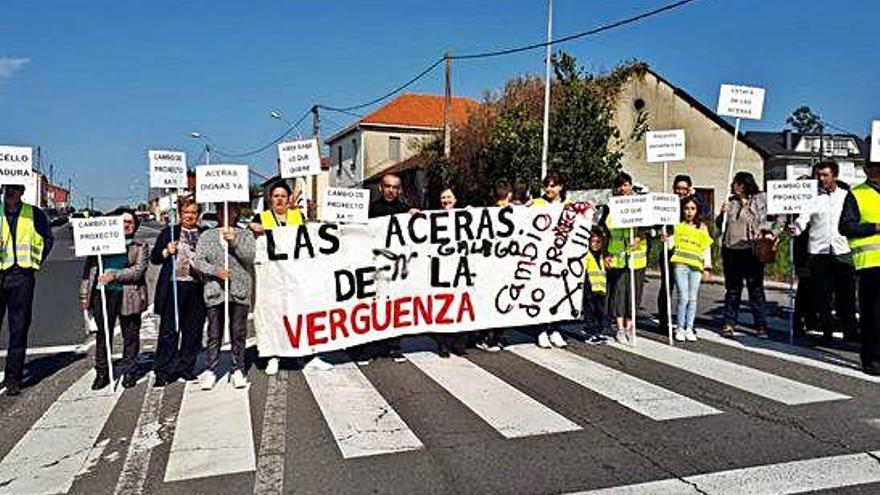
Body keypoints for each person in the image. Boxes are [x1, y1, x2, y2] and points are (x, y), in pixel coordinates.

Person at [79, 208, 148, 389]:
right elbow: (89, 270)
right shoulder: (100, 241)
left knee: (130, 334)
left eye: (130, 222)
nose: (127, 225)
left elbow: (138, 271)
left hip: (129, 294)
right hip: (102, 294)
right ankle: (102, 371)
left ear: (135, 226)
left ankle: (129, 370)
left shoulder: (140, 245)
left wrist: (114, 275)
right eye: (123, 221)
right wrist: (84, 295)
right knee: (104, 334)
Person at [789, 161, 857, 342]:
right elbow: (803, 219)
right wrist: (796, 228)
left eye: (825, 175)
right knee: (823, 294)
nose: (821, 179)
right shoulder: (812, 198)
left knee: (846, 293)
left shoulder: (847, 196)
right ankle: (827, 330)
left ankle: (850, 329)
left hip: (842, 251)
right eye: (819, 175)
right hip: (818, 253)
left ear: (835, 176)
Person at [192, 202, 255, 389]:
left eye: (231, 210)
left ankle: (237, 368)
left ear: (236, 213)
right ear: (217, 213)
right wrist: (215, 271)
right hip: (215, 290)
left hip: (239, 290)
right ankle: (212, 369)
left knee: (238, 332)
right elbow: (198, 262)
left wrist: (233, 242)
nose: (226, 213)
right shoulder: (207, 235)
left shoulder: (245, 234)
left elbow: (249, 258)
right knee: (214, 333)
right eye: (221, 210)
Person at [354, 172, 415, 363]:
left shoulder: (406, 211)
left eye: (395, 187)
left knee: (395, 306)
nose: (391, 190)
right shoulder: (368, 210)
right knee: (371, 305)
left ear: (399, 190)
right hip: (372, 266)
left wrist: (416, 217)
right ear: (381, 188)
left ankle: (393, 347)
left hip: (396, 268)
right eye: (388, 186)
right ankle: (368, 348)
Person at [0, 184, 55, 396]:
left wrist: (36, 260)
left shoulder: (34, 214)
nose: (10, 193)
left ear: (22, 192)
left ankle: (13, 378)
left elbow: (48, 239)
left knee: (19, 328)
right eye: (7, 189)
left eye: (14, 190)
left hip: (22, 277)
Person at [249, 180, 305, 375]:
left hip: (294, 275)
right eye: (276, 196)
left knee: (296, 314)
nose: (279, 199)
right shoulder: (261, 217)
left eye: (283, 196)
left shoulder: (298, 216)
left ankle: (304, 353)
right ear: (270, 199)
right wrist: (256, 228)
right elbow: (250, 234)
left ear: (288, 198)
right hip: (271, 276)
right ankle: (273, 355)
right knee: (272, 316)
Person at [150, 198, 207, 387]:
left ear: (198, 215)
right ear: (180, 214)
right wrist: (167, 251)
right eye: (186, 212)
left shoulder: (203, 233)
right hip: (174, 286)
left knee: (193, 331)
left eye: (193, 212)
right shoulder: (170, 232)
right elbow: (155, 258)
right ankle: (163, 370)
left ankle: (185, 367)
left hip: (197, 287)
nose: (189, 216)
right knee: (169, 331)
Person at [716, 171, 779, 338]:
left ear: (743, 185)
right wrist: (722, 213)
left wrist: (772, 232)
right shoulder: (730, 202)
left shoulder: (760, 199)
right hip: (731, 250)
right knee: (732, 289)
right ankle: (729, 323)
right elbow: (720, 225)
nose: (732, 186)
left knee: (755, 289)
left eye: (735, 183)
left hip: (751, 250)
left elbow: (776, 217)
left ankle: (761, 325)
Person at [839, 153, 880, 375]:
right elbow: (845, 227)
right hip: (870, 263)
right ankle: (872, 359)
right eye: (875, 167)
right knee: (872, 314)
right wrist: (874, 227)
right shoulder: (857, 194)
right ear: (867, 170)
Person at [605, 173, 647, 344]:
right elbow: (605, 232)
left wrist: (638, 236)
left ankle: (630, 327)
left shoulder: (641, 205)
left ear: (631, 185)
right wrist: (606, 255)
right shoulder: (611, 206)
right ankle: (620, 328)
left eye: (626, 185)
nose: (623, 189)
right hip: (618, 258)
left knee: (634, 294)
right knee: (620, 294)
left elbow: (648, 227)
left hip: (637, 259)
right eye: (620, 186)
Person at [665, 196, 713, 342]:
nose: (689, 212)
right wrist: (666, 239)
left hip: (696, 266)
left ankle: (689, 327)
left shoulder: (702, 228)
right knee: (683, 297)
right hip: (680, 264)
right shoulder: (677, 226)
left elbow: (706, 249)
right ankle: (680, 327)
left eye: (692, 209)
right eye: (686, 208)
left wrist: (707, 267)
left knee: (693, 299)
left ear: (697, 210)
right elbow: (670, 245)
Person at [530, 171, 568, 348]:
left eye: (553, 185)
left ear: (560, 187)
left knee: (559, 293)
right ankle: (542, 330)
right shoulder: (537, 203)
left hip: (561, 257)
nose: (549, 189)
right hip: (541, 256)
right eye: (547, 186)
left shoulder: (568, 205)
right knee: (542, 292)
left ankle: (555, 328)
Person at [658, 174, 700, 328]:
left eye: (684, 188)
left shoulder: (693, 203)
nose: (681, 191)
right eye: (678, 188)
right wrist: (660, 235)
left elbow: (704, 213)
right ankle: (664, 320)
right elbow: (656, 223)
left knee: (688, 291)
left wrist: (695, 195)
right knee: (667, 286)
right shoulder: (667, 204)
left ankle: (686, 323)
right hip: (670, 251)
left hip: (688, 253)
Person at [432, 187, 470, 357]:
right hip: (440, 271)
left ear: (455, 200)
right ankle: (443, 344)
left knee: (461, 307)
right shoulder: (432, 217)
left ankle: (458, 343)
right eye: (443, 197)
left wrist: (473, 213)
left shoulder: (464, 216)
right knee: (443, 308)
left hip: (461, 270)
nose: (446, 200)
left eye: (449, 197)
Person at [582, 227, 609, 344]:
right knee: (590, 312)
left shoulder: (602, 255)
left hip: (601, 288)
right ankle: (590, 333)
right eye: (593, 241)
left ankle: (597, 332)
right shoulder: (586, 254)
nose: (596, 244)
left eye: (599, 242)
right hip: (589, 287)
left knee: (600, 312)